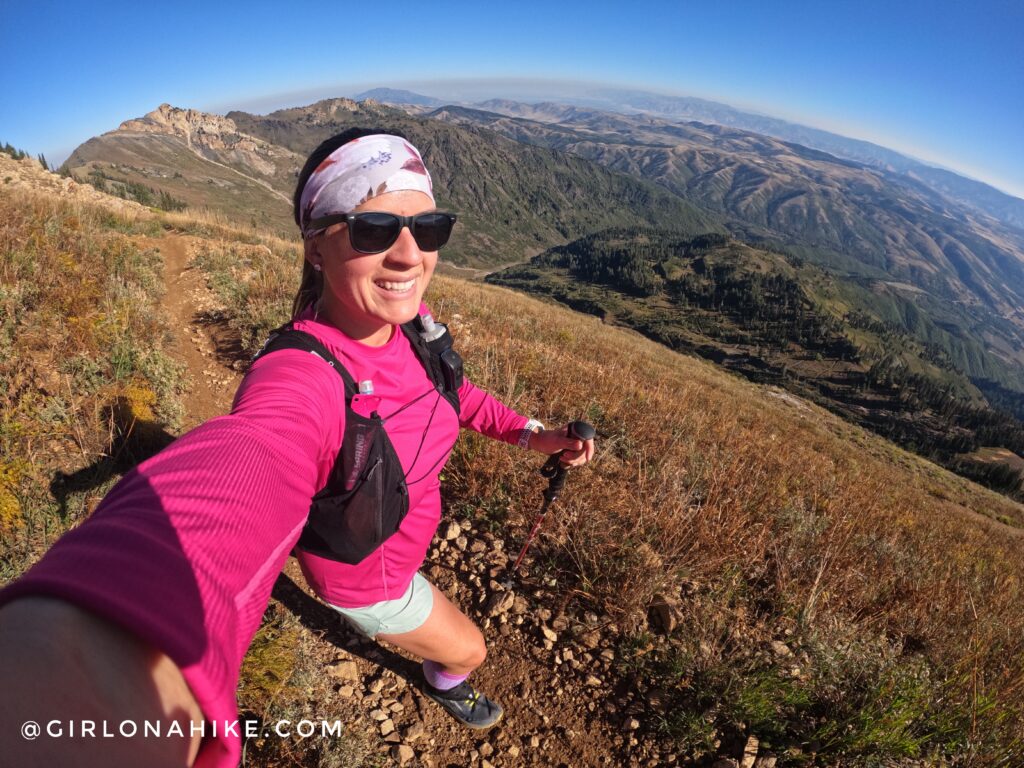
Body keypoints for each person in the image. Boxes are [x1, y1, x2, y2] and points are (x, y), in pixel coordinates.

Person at [0, 129, 595, 767]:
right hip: (369, 574)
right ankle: (444, 681)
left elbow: (457, 396)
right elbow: (257, 453)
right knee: (469, 650)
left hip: (396, 532)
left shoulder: (409, 332)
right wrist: (96, 642)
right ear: (317, 247)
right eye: (372, 230)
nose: (408, 254)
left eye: (429, 229)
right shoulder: (303, 375)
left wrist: (536, 434)